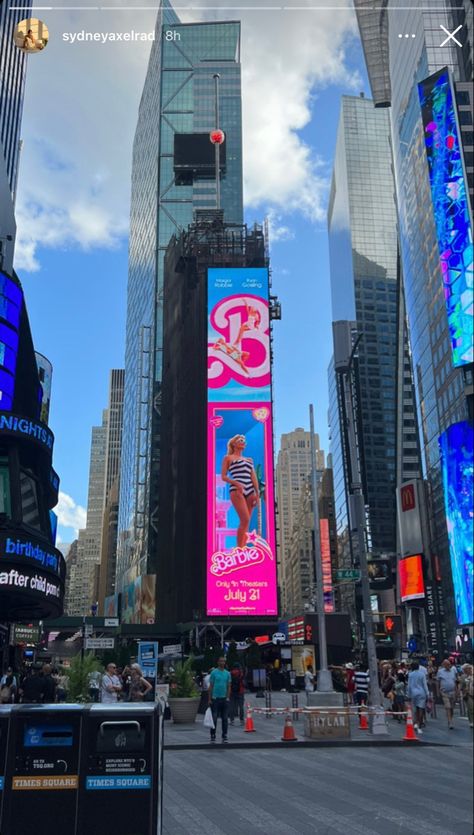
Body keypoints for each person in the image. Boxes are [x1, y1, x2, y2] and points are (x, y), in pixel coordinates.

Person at [221, 435, 260, 548]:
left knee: (246, 522)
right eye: (240, 440)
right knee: (245, 519)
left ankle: (242, 548)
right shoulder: (228, 458)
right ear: (234, 443)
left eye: (244, 440)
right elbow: (224, 476)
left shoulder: (249, 460)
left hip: (250, 490)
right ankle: (239, 549)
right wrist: (237, 483)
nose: (243, 442)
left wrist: (257, 494)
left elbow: (253, 477)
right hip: (237, 489)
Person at [208, 656, 231, 743]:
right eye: (221, 661)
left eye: (223, 661)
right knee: (214, 718)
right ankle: (213, 735)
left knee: (225, 718)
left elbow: (229, 686)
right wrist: (209, 699)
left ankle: (224, 735)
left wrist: (228, 697)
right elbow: (211, 686)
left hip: (224, 699)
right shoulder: (214, 673)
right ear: (218, 662)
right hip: (215, 698)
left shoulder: (227, 673)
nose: (222, 663)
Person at [407, 662, 429, 733]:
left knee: (415, 709)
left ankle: (415, 723)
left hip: (413, 693)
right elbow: (425, 685)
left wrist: (408, 695)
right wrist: (427, 693)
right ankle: (420, 724)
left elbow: (409, 686)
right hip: (422, 692)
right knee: (421, 709)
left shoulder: (410, 675)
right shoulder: (422, 674)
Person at [437, 658, 458, 729]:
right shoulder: (440, 672)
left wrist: (456, 692)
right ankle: (450, 722)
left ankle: (450, 719)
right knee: (448, 707)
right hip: (444, 692)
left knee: (452, 708)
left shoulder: (453, 671)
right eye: (447, 664)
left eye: (449, 664)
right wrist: (438, 691)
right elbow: (438, 682)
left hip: (452, 692)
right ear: (444, 665)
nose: (449, 665)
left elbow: (455, 682)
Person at [460, 664, 473, 728]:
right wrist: (464, 690)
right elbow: (461, 687)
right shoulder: (463, 677)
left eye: (470, 669)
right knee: (471, 708)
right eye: (468, 669)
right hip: (468, 694)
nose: (470, 670)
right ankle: (471, 721)